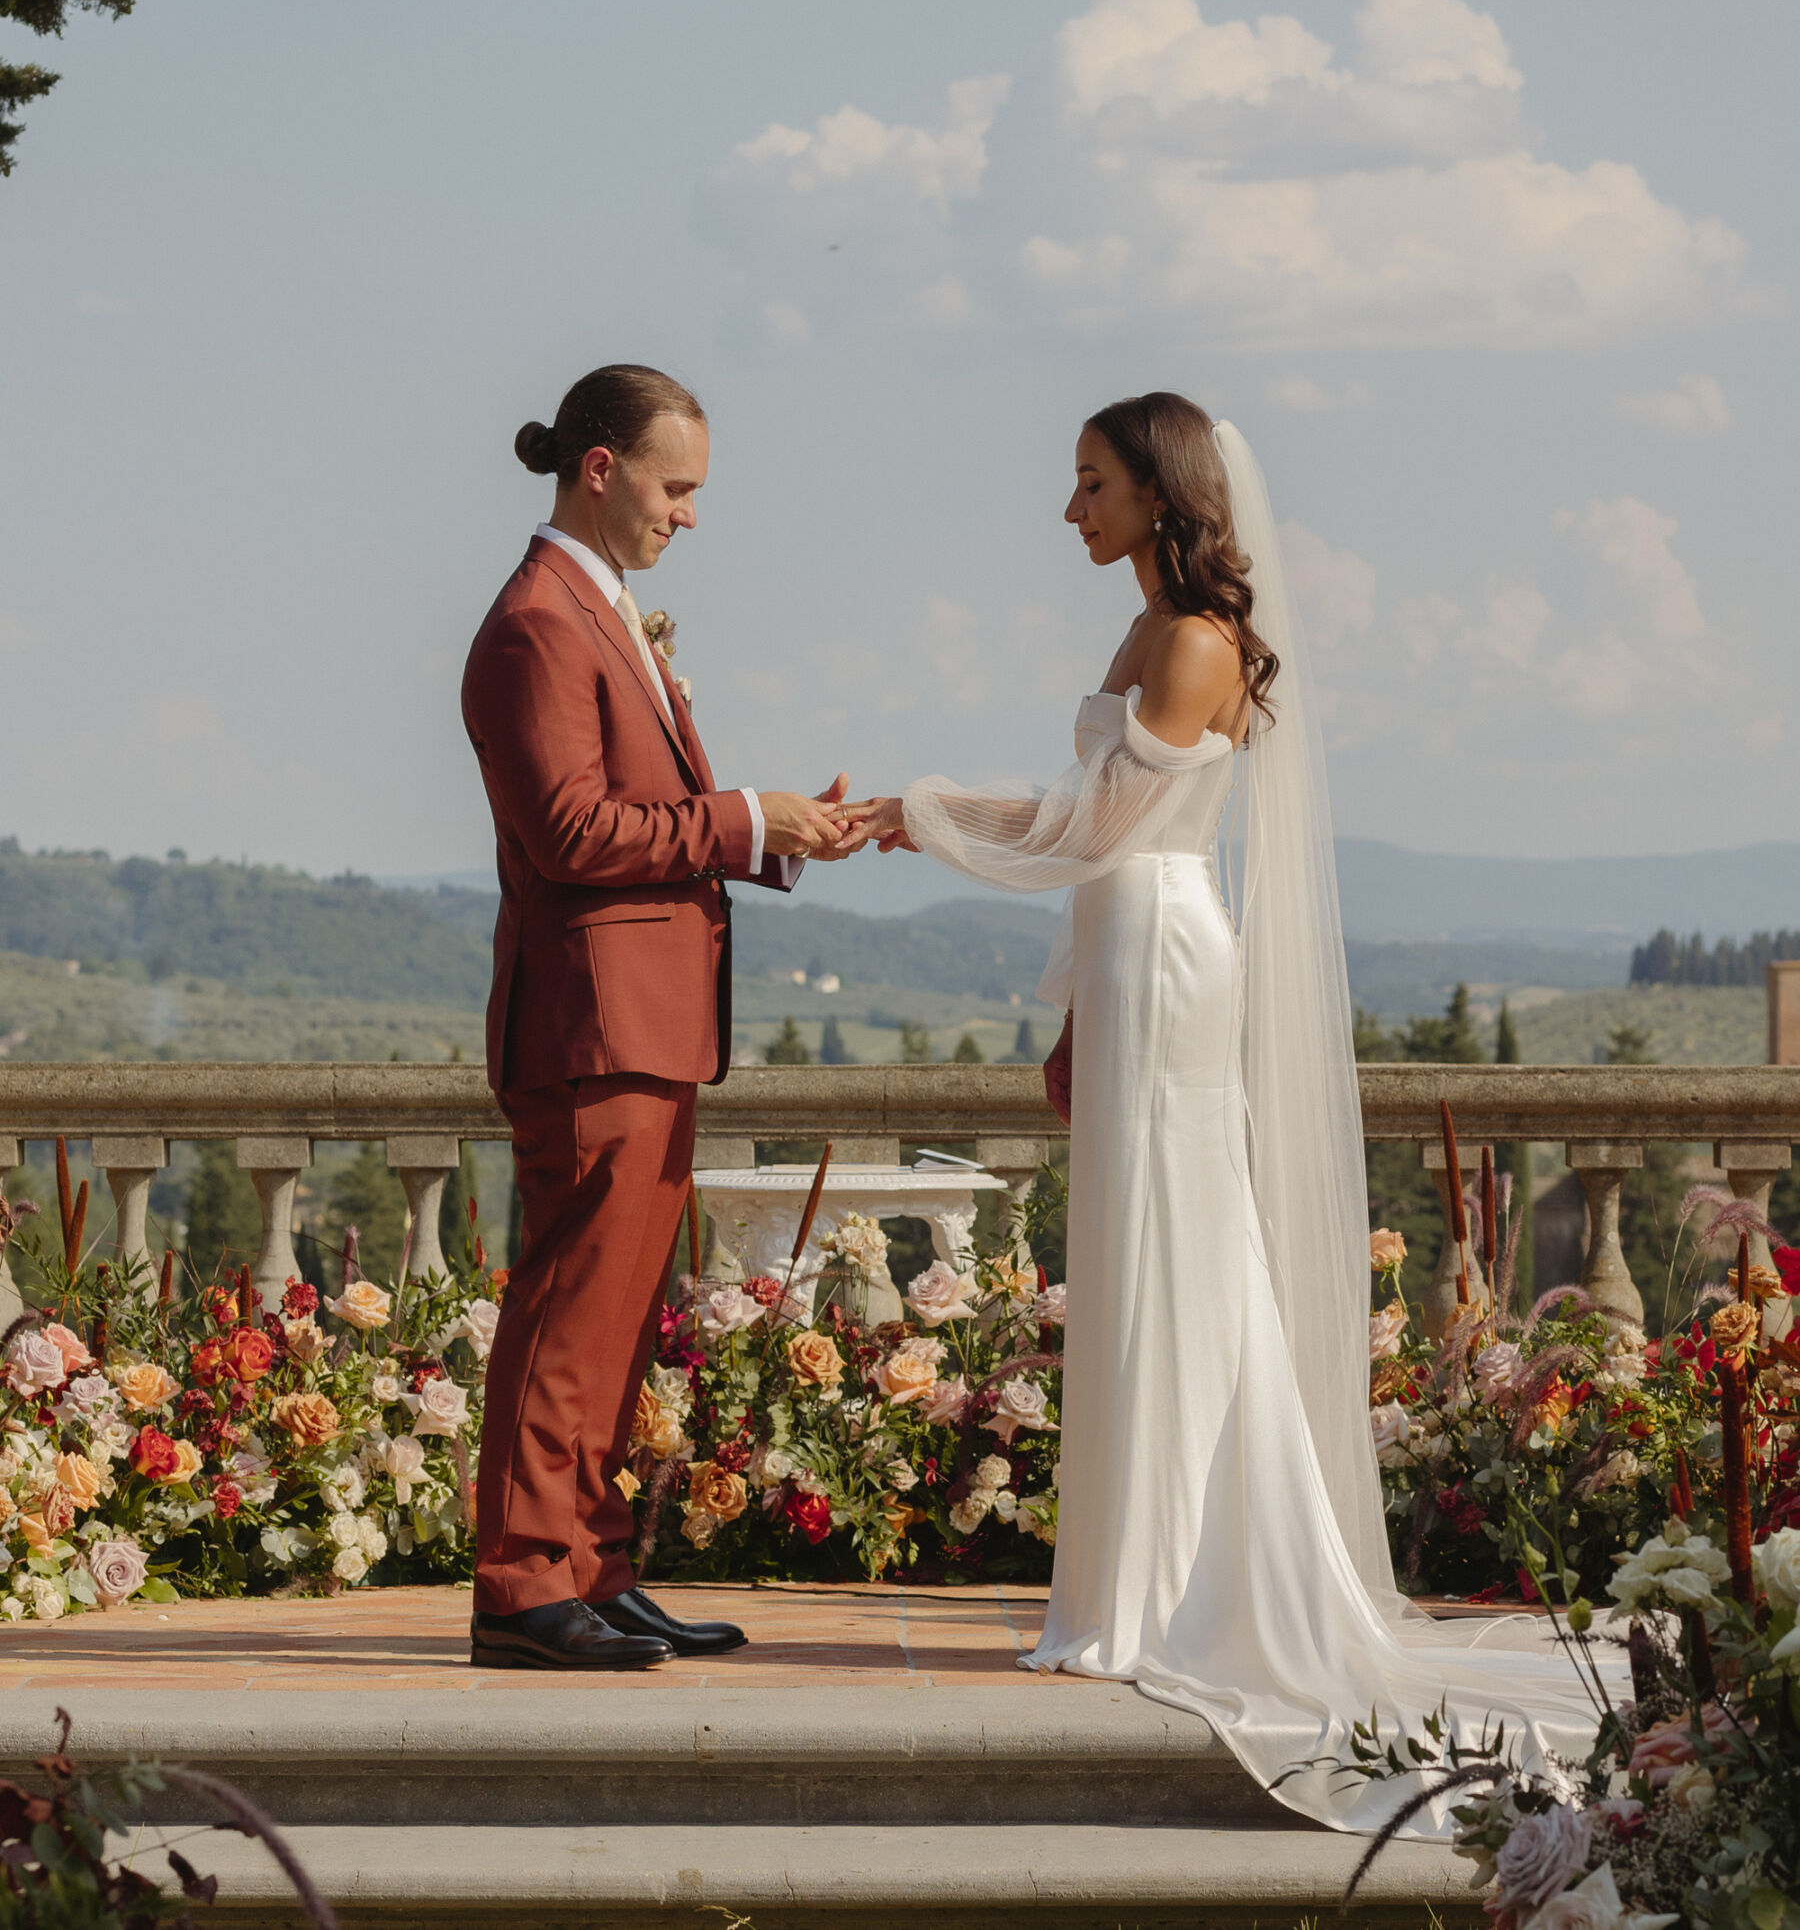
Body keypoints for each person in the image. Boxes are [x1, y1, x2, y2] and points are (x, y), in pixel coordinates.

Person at [842, 393, 1620, 1833]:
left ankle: (1186, 1577)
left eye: (1091, 485)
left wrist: (921, 810)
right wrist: (1071, 1000)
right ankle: (1135, 1573)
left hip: (1169, 947)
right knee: (1140, 1251)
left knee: (1182, 1248)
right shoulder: (1143, 633)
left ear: (1162, 495)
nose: (1070, 511)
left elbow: (1106, 829)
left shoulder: (1194, 643)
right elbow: (1097, 834)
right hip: (1125, 948)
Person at [461, 363, 851, 1671]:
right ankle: (523, 1588)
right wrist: (745, 819)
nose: (691, 515)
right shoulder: (536, 625)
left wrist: (784, 832)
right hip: (590, 1030)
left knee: (624, 1323)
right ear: (602, 468)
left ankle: (596, 1568)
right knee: (572, 1314)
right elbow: (571, 831)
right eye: (678, 488)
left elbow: (642, 814)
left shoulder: (606, 611)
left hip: (648, 1023)